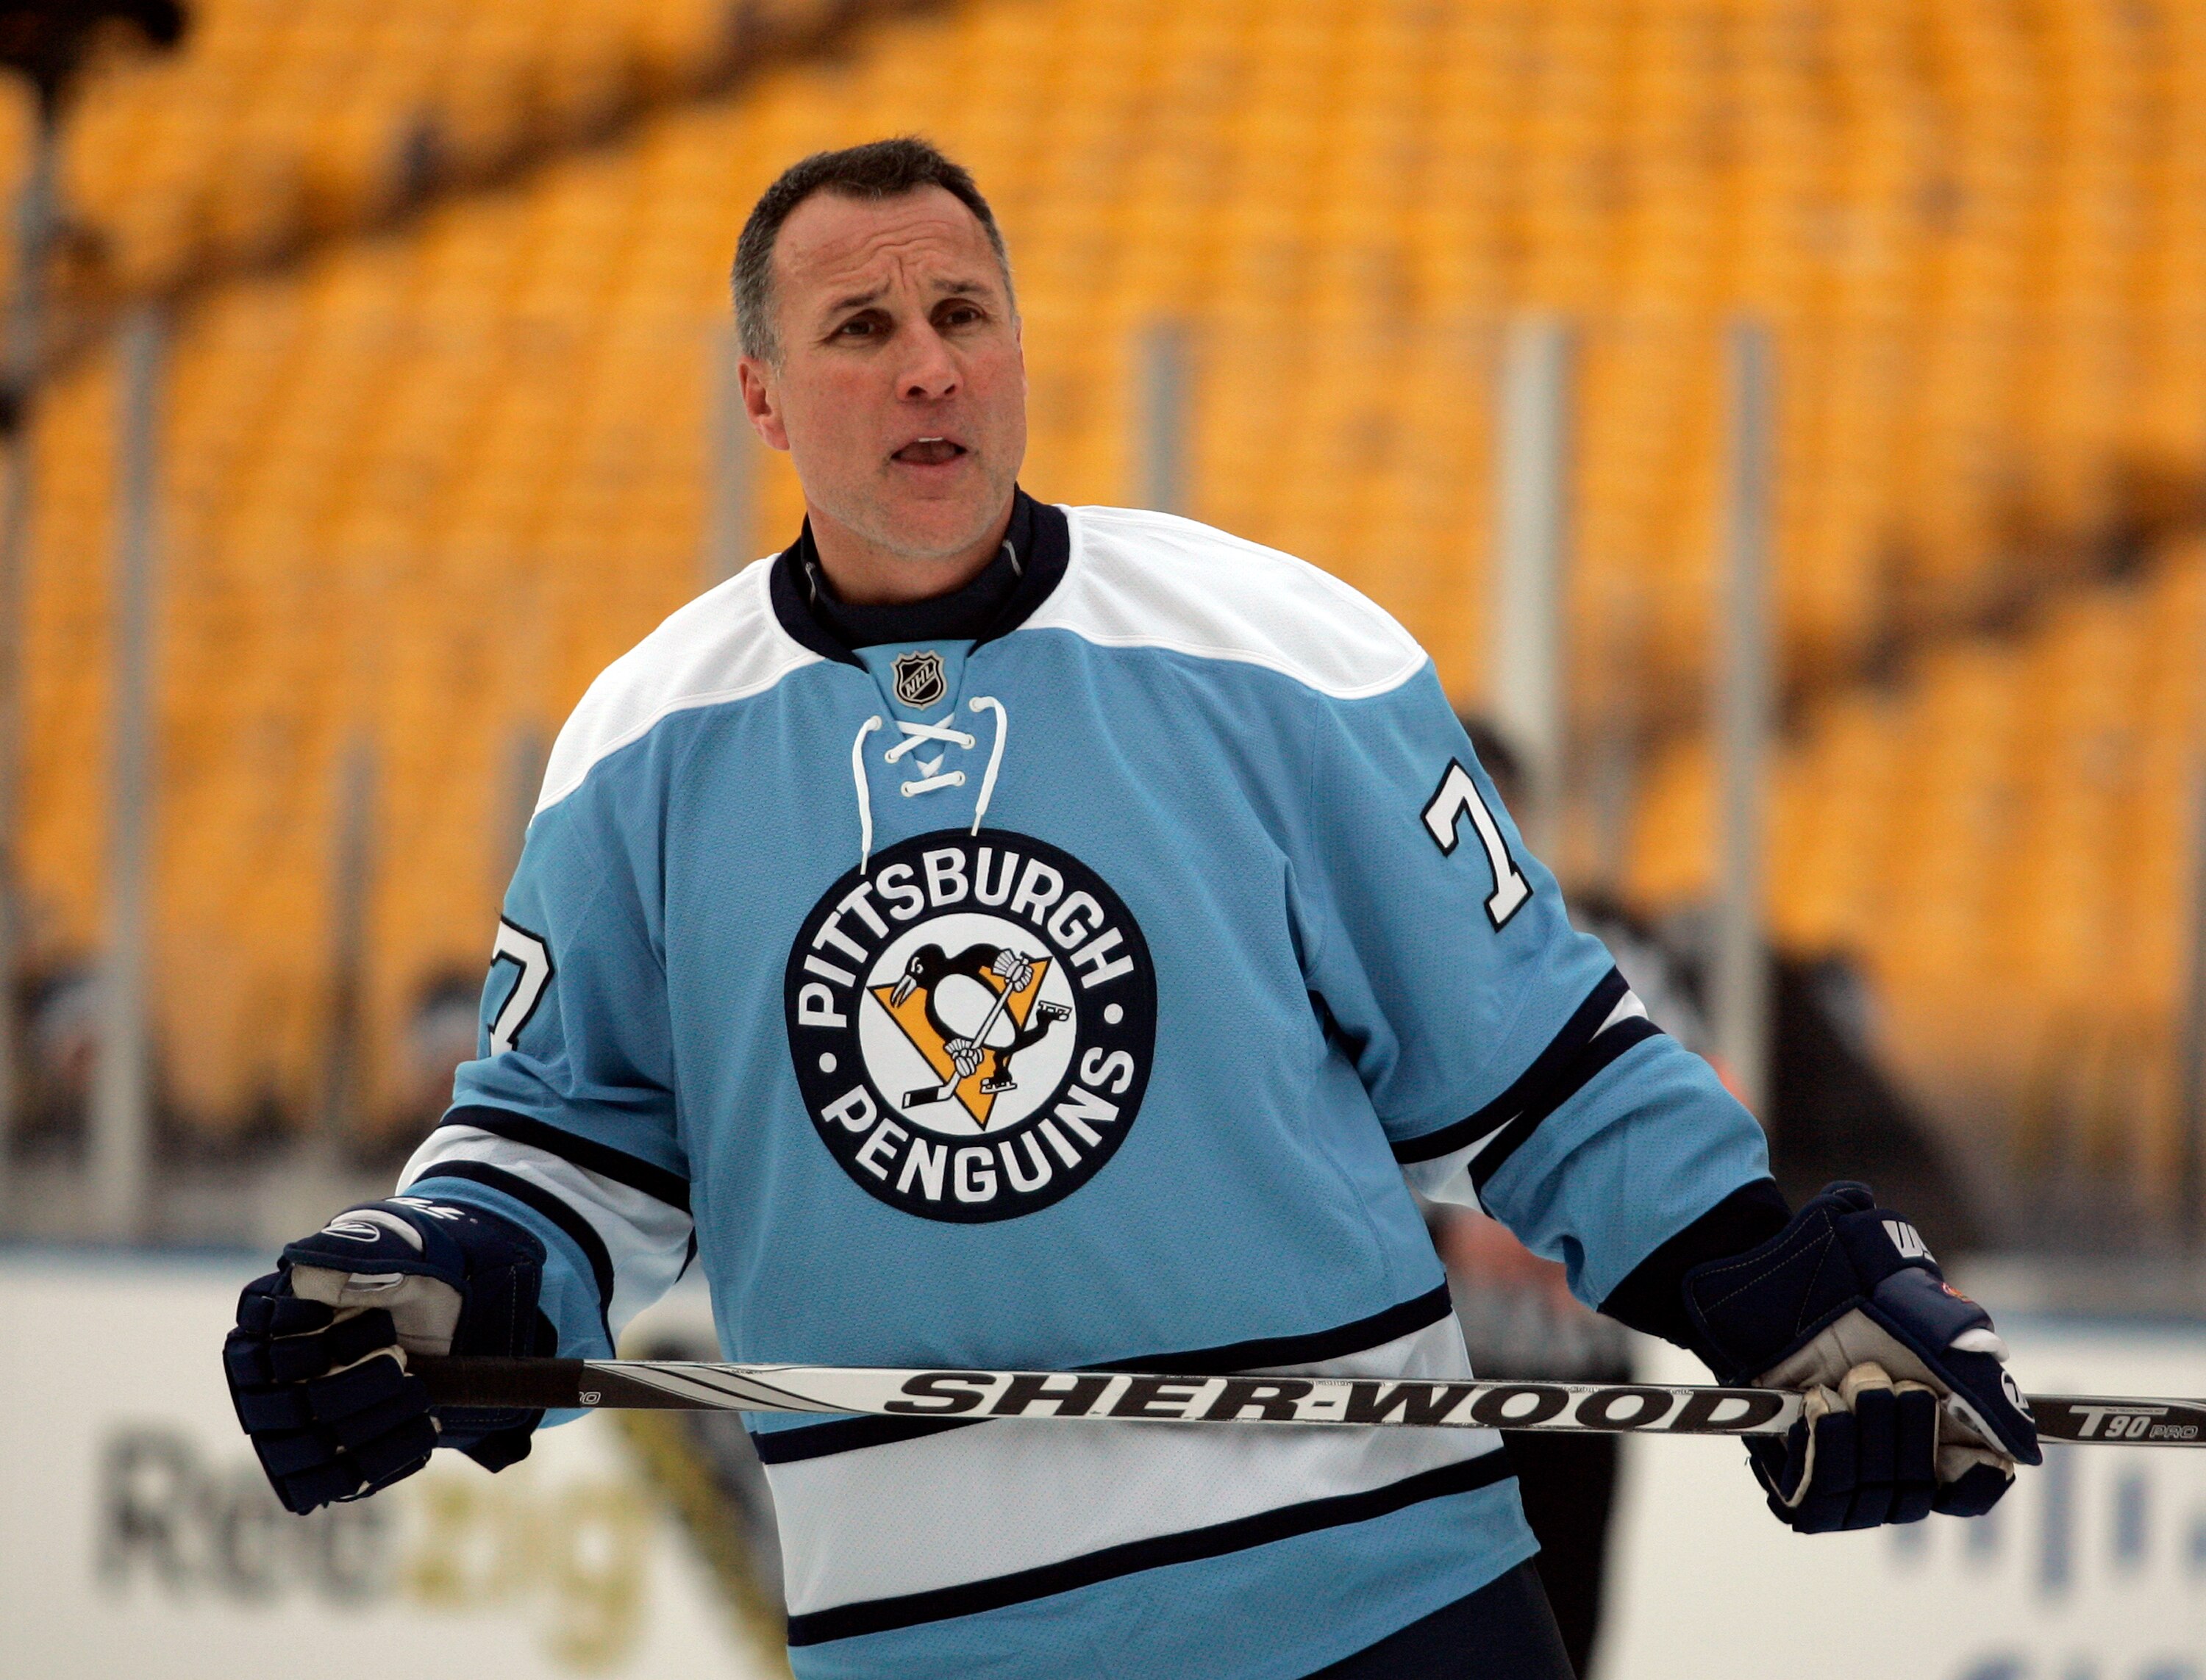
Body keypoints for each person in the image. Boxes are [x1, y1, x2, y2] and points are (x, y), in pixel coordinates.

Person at [222, 138, 2038, 1680]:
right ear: (765, 396)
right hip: (931, 1638)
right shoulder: (643, 747)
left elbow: (1546, 1066)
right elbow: (564, 1153)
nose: (928, 366)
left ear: (1019, 352)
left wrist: (1781, 1295)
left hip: (1374, 1603)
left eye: (964, 316)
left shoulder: (1279, 654)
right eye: (862, 328)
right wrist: (434, 1287)